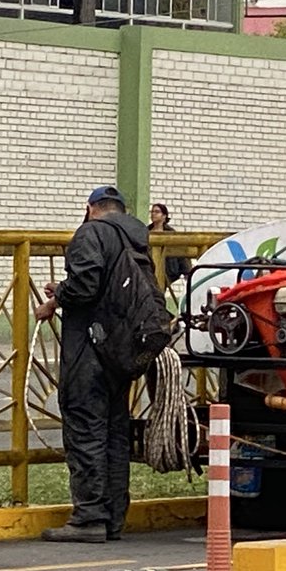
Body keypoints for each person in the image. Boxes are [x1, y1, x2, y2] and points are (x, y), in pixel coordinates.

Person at [35, 185, 151, 543]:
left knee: (85, 428)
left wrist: (59, 296)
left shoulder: (90, 233)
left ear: (90, 209)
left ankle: (88, 518)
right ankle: (113, 517)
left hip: (89, 347)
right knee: (115, 432)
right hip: (123, 349)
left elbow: (85, 287)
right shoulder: (137, 239)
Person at [149, 202, 192, 285]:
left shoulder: (172, 234)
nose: (153, 214)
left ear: (164, 216)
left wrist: (187, 271)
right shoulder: (146, 232)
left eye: (157, 212)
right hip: (150, 270)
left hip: (168, 269)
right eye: (152, 212)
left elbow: (181, 253)